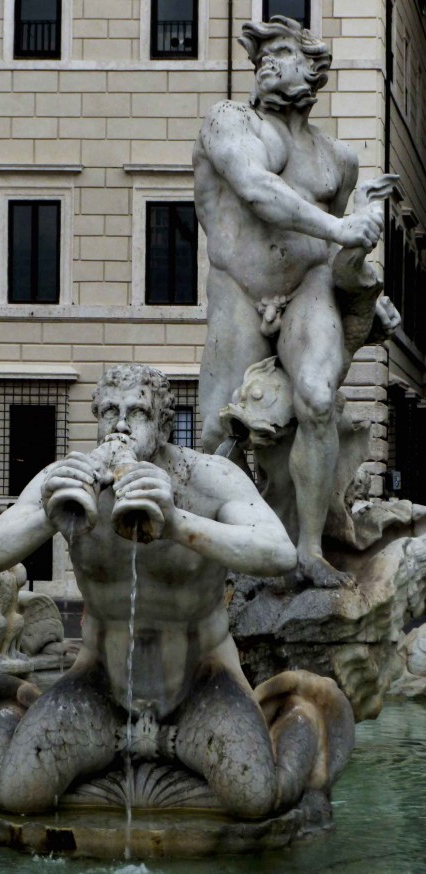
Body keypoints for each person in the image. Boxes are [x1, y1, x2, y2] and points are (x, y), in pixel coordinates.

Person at [0, 364, 300, 816]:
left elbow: (280, 553)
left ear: (162, 426)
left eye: (137, 412)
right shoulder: (66, 477)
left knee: (255, 798)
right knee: (18, 795)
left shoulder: (205, 477)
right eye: (109, 412)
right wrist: (49, 512)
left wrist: (178, 523)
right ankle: (7, 712)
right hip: (103, 681)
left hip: (200, 681)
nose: (120, 424)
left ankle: (298, 727)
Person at [193, 16, 394, 588]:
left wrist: (364, 290)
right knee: (213, 431)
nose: (268, 64)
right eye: (263, 57)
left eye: (283, 52)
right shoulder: (231, 122)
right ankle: (207, 558)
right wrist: (342, 228)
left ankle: (308, 548)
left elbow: (339, 247)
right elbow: (259, 192)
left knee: (317, 399)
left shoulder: (339, 160)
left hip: (308, 287)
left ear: (314, 68)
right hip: (239, 286)